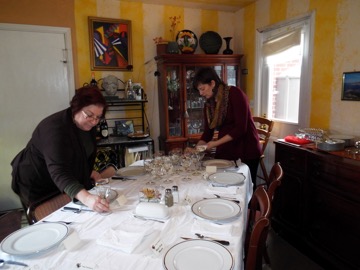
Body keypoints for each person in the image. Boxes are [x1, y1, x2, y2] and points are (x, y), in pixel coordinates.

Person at [11, 86, 115, 213]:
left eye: (98, 117)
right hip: (37, 181)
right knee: (47, 217)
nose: (94, 121)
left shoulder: (88, 124)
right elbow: (59, 171)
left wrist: (87, 171)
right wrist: (87, 198)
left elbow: (80, 153)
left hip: (59, 179)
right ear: (76, 108)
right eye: (89, 115)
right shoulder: (54, 129)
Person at [193, 67, 262, 190]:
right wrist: (196, 149)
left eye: (202, 89)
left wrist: (214, 144)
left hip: (246, 149)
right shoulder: (209, 104)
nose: (201, 93)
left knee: (244, 187)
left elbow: (241, 129)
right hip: (226, 149)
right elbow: (208, 133)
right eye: (199, 90)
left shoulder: (235, 94)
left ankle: (249, 208)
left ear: (212, 83)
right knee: (222, 183)